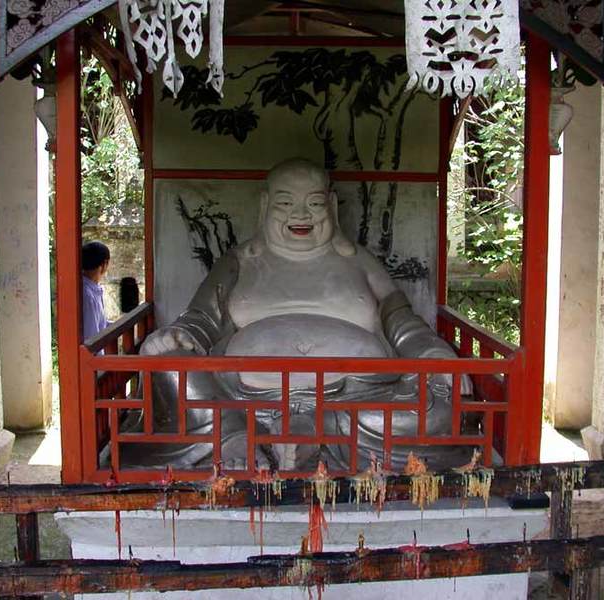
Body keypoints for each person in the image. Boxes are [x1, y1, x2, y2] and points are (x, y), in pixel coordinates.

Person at [132, 158, 472, 471]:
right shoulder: (241, 260)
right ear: (265, 205)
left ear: (332, 206)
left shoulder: (359, 260)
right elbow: (202, 318)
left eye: (314, 203)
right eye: (285, 203)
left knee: (440, 404)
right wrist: (180, 335)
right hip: (241, 396)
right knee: (167, 363)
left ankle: (318, 428)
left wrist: (431, 352)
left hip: (361, 398)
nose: (301, 214)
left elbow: (401, 321)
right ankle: (232, 436)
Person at [82, 241, 110, 341]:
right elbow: (92, 338)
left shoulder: (91, 289)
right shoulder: (88, 295)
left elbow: (102, 324)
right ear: (104, 264)